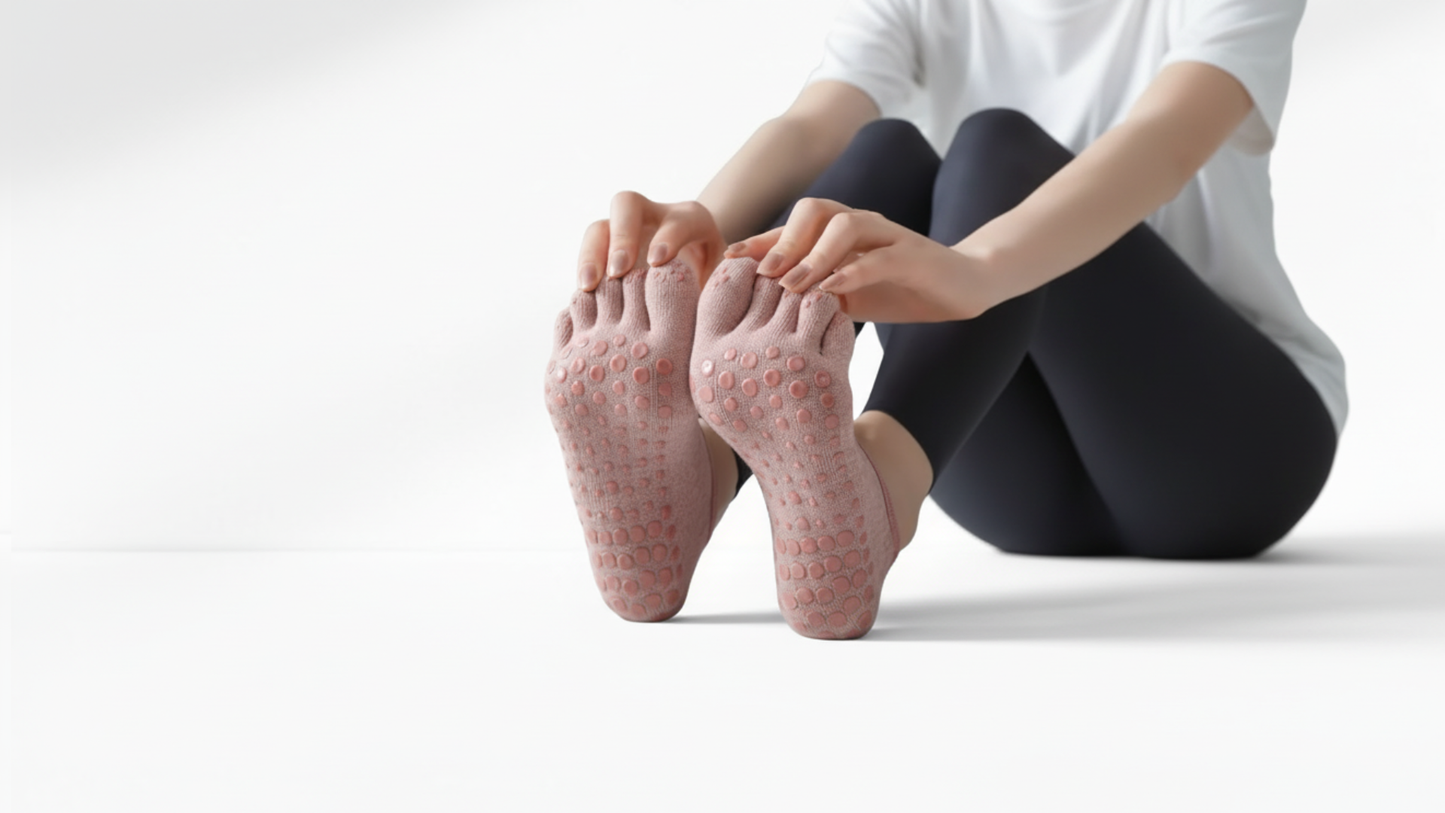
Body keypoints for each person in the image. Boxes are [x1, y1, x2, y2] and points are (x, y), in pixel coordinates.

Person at [542, 0, 1344, 640]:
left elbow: (1164, 137)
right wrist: (703, 226)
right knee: (877, 154)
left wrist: (977, 271)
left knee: (994, 147)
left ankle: (873, 482)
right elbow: (813, 124)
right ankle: (723, 480)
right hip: (1009, 488)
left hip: (1233, 460)